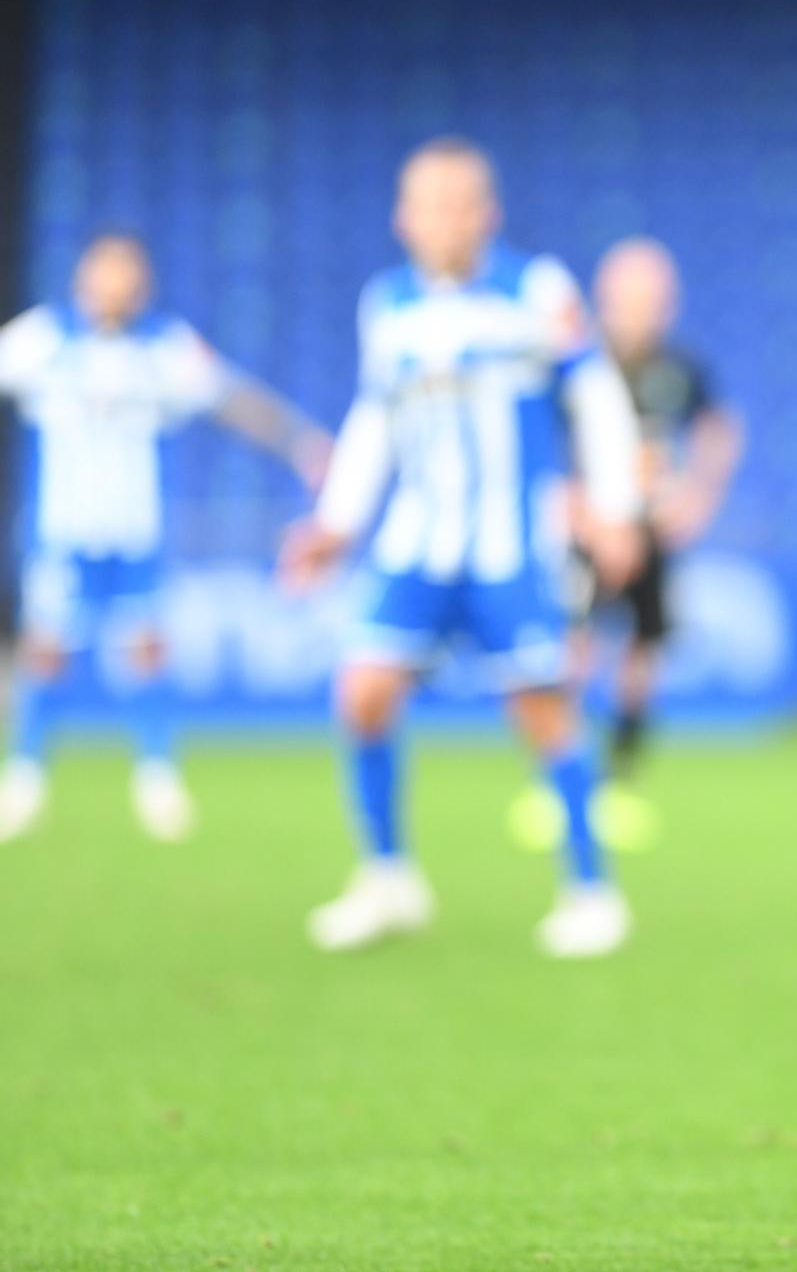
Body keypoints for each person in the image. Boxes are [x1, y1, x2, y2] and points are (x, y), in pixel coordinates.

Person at [280, 137, 644, 960]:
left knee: (541, 710)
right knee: (363, 693)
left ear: (489, 213)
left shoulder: (536, 289)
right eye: (428, 205)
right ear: (403, 219)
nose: (444, 220)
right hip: (414, 541)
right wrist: (337, 523)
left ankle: (590, 890)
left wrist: (616, 508)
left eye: (460, 204)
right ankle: (388, 878)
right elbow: (375, 420)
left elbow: (594, 395)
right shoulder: (388, 303)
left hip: (508, 544)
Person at [0, 232, 327, 843]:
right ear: (83, 279)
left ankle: (156, 775)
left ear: (141, 283)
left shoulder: (164, 347)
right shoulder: (42, 339)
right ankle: (24, 776)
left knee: (145, 650)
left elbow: (232, 396)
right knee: (46, 649)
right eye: (103, 272)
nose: (113, 285)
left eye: (125, 273)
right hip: (63, 530)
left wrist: (298, 441)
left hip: (134, 529)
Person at [584, 237, 742, 783]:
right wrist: (575, 508)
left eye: (653, 297)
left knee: (642, 645)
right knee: (573, 639)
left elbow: (719, 430)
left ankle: (623, 763)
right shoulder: (582, 367)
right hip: (590, 528)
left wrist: (698, 498)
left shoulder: (680, 367)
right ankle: (566, 759)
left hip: (652, 529)